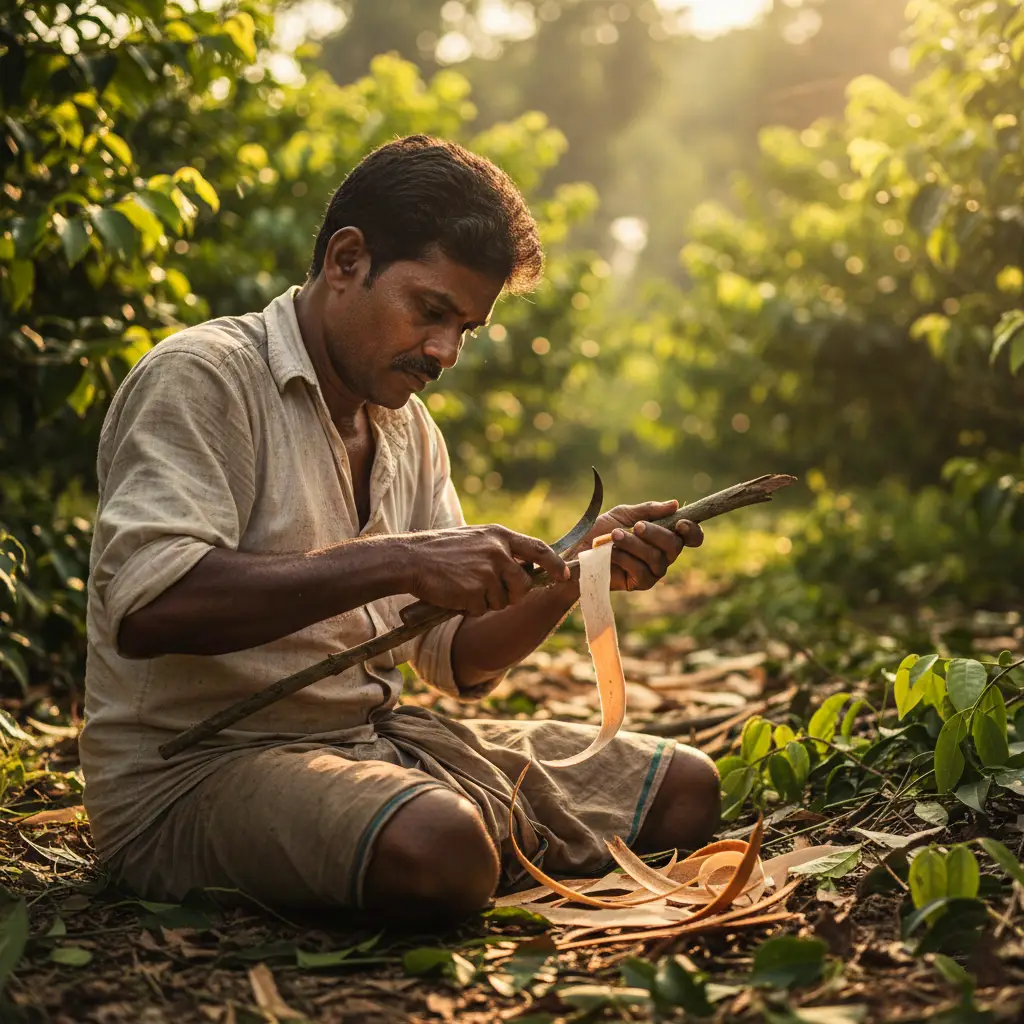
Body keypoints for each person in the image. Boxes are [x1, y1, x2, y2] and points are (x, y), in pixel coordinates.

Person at [80, 135, 720, 920]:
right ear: (347, 260)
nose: (445, 351)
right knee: (441, 848)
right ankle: (440, 844)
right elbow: (150, 612)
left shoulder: (406, 431)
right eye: (431, 311)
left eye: (466, 329)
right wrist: (400, 560)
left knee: (685, 790)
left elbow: (455, 658)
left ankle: (427, 837)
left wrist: (576, 573)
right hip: (193, 773)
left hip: (371, 749)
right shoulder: (204, 376)